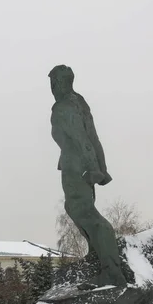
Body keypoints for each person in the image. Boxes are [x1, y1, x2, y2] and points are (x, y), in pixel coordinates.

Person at [48, 64, 126, 289]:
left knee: (83, 211)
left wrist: (92, 169)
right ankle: (98, 258)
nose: (52, 88)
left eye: (53, 83)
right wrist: (100, 167)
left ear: (60, 82)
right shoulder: (79, 102)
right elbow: (93, 137)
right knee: (80, 210)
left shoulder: (64, 106)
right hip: (82, 166)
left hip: (77, 167)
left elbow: (83, 139)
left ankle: (111, 272)